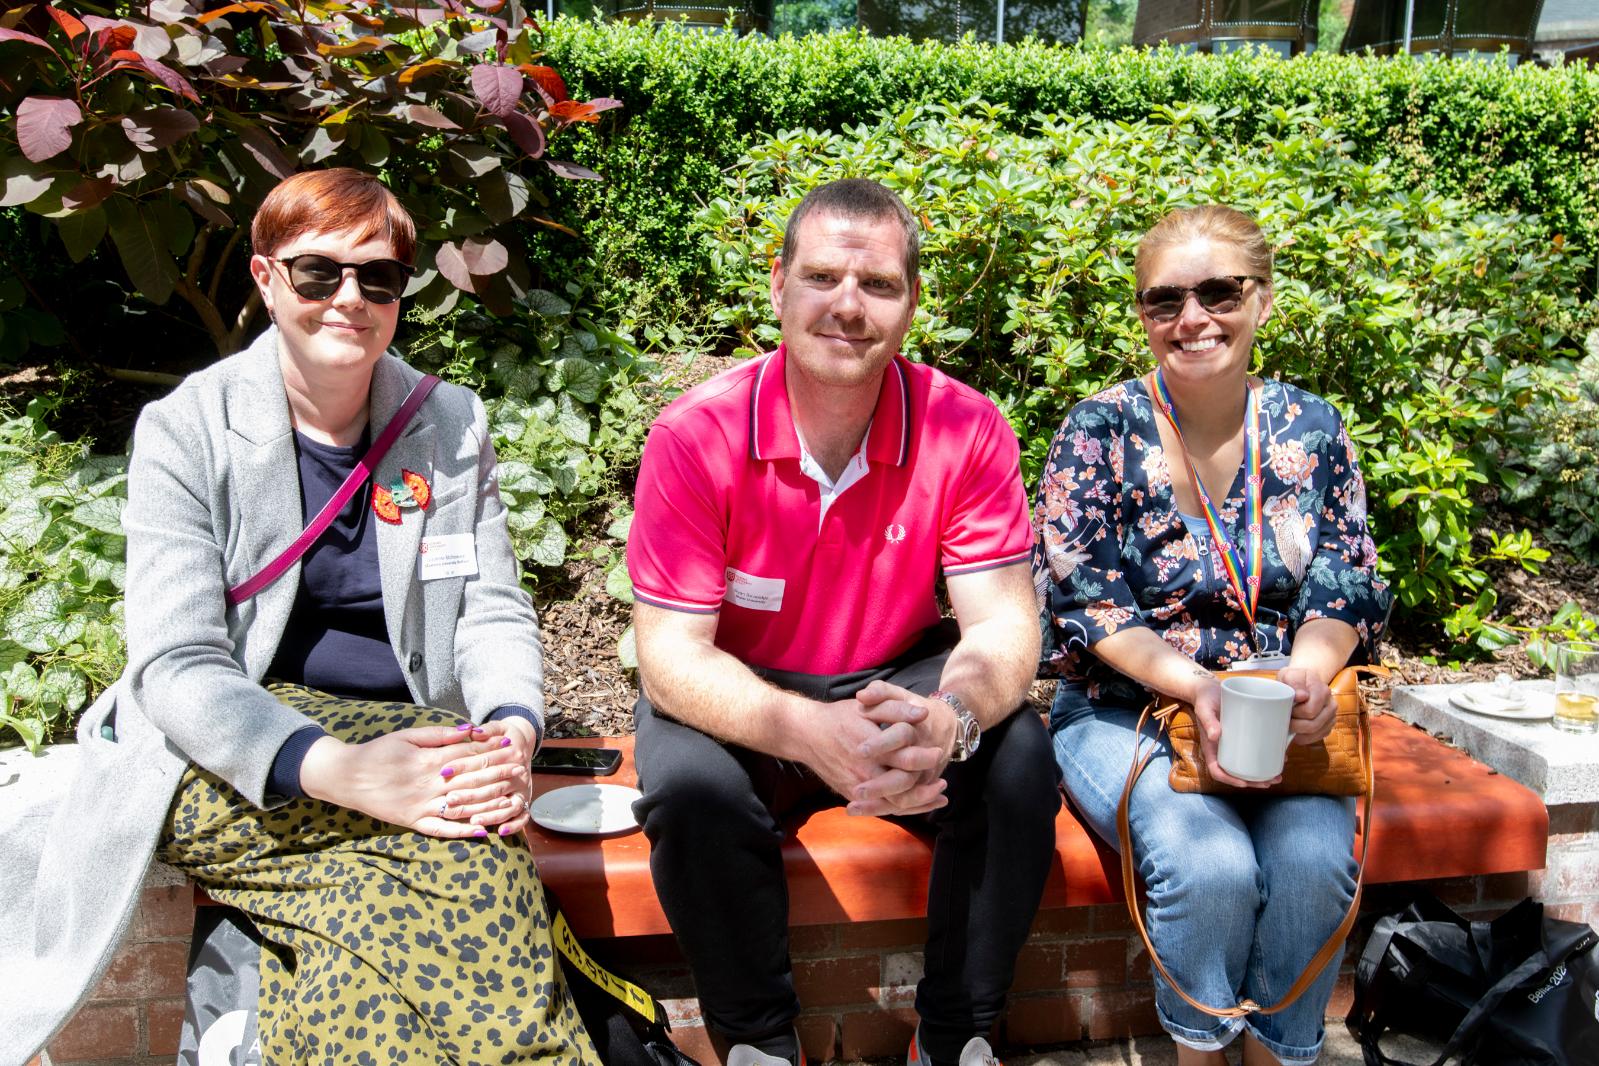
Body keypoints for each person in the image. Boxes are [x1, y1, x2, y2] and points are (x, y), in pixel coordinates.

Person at [0, 168, 598, 1066]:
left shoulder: (448, 420)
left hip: (411, 741)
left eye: (378, 277)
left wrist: (510, 729)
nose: (349, 299)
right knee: (473, 863)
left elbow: (490, 605)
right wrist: (336, 769)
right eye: (318, 273)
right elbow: (177, 666)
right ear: (267, 277)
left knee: (370, 927)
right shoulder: (189, 427)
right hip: (224, 754)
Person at [627, 178, 1058, 1066]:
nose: (848, 307)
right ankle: (757, 1045)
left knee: (1015, 761)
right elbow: (671, 659)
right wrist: (800, 728)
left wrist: (953, 719)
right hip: (742, 691)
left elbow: (1004, 629)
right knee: (687, 790)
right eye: (822, 278)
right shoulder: (693, 437)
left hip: (893, 678)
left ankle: (956, 1038)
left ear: (909, 305)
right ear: (777, 286)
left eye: (879, 286)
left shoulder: (964, 427)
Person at [1032, 205, 1391, 1066]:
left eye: (1219, 291)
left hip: (1282, 714)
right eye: (1164, 302)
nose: (1191, 319)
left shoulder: (1312, 428)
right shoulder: (1097, 432)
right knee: (1209, 867)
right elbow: (1088, 599)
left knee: (1312, 863)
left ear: (1260, 300)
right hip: (1128, 710)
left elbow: (1348, 575)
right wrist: (1195, 687)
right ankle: (1199, 1053)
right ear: (1143, 316)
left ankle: (1277, 1054)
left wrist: (1307, 674)